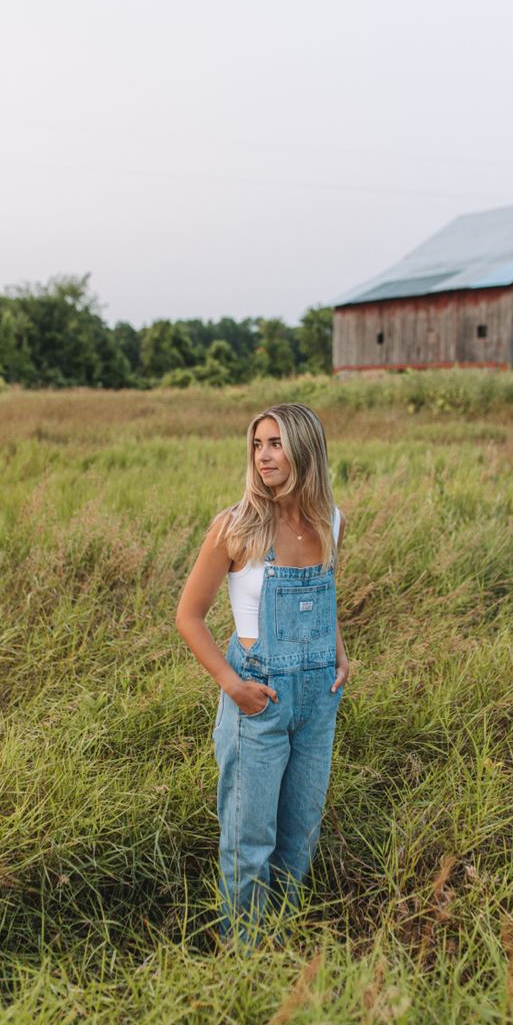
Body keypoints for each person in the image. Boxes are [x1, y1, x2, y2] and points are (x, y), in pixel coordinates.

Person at [175, 402, 349, 947]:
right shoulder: (237, 526)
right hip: (260, 697)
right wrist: (233, 686)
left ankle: (280, 945)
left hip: (319, 698)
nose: (265, 456)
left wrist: (340, 653)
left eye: (275, 443)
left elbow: (325, 597)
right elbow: (188, 616)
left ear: (305, 448)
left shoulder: (331, 520)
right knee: (250, 841)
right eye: (258, 444)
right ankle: (243, 958)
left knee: (298, 836)